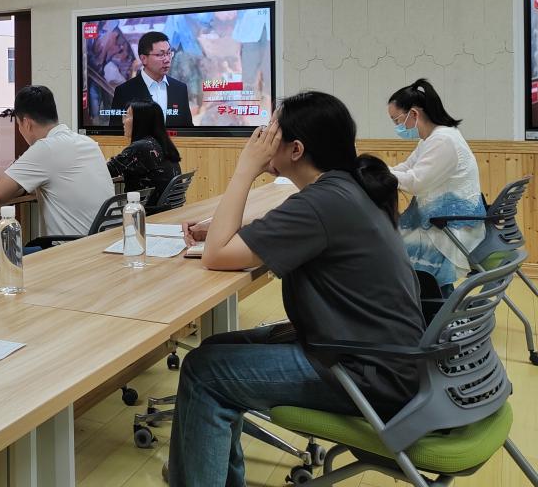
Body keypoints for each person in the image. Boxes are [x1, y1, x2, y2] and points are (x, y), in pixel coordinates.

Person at [168, 92, 425, 487]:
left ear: (296, 149)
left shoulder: (322, 202)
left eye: (271, 133)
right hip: (383, 354)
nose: (263, 140)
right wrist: (222, 225)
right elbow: (274, 229)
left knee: (205, 373)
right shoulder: (344, 188)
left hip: (366, 372)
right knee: (214, 350)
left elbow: (216, 255)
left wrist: (245, 168)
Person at [388, 79, 485, 296]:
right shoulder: (431, 139)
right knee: (390, 242)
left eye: (396, 120)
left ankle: (431, 303)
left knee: (390, 248)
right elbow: (406, 168)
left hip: (450, 227)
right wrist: (381, 171)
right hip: (443, 221)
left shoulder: (443, 140)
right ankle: (432, 302)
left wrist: (382, 173)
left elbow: (416, 182)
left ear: (414, 114)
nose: (397, 127)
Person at [0, 85, 114, 237]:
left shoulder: (45, 148)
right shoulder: (87, 142)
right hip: (105, 242)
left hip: (70, 247)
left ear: (26, 123)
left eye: (19, 125)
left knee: (4, 251)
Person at [110, 31, 194, 129]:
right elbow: (115, 132)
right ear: (143, 59)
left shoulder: (180, 89)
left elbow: (188, 129)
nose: (167, 59)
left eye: (168, 53)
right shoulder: (124, 91)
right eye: (160, 55)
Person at [106, 101, 181, 207]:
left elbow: (107, 171)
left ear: (140, 121)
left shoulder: (140, 148)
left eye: (127, 116)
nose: (123, 121)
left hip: (147, 212)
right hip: (170, 209)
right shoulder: (161, 144)